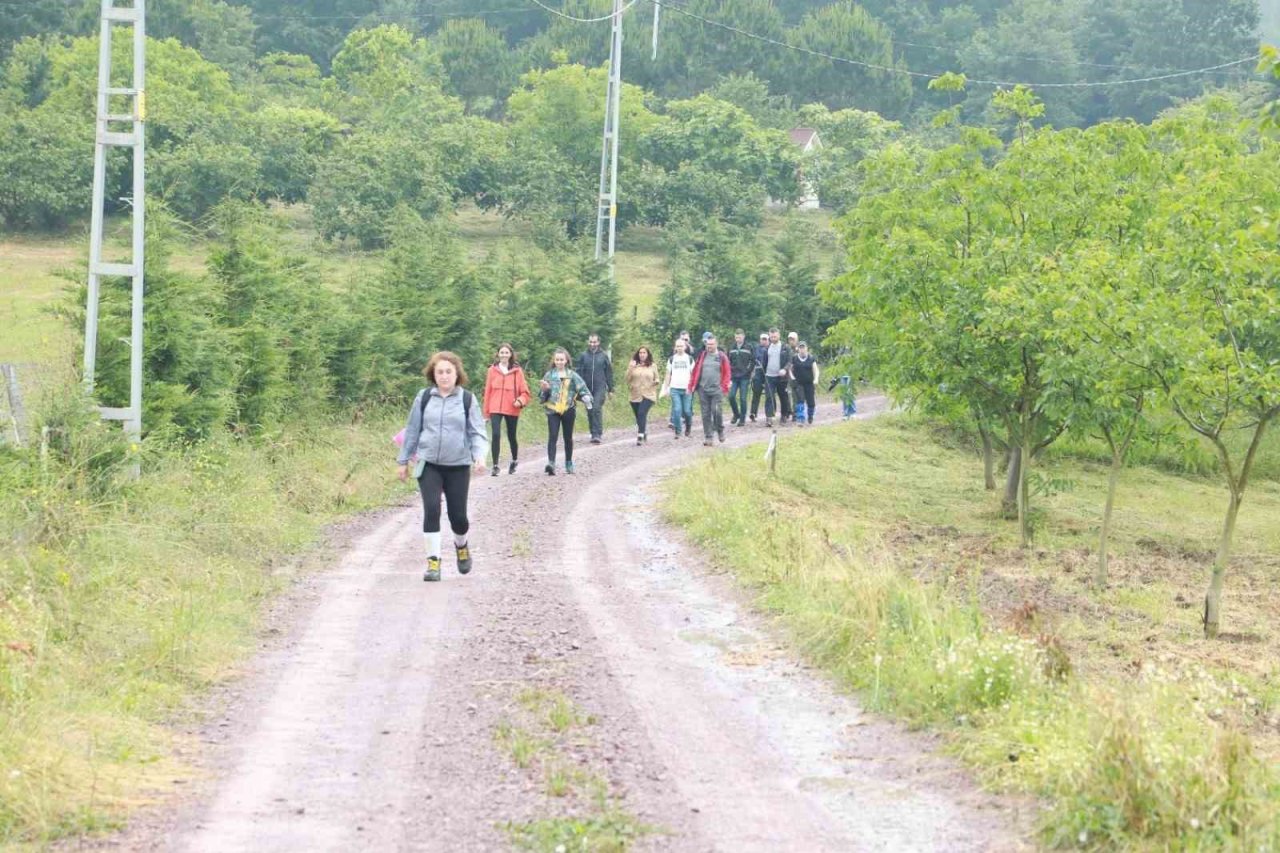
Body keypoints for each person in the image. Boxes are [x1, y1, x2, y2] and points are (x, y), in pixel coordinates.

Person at [397, 352, 489, 582]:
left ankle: (462, 545)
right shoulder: (424, 397)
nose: (444, 376)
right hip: (428, 464)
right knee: (431, 508)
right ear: (433, 374)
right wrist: (403, 461)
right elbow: (412, 430)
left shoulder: (467, 399)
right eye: (440, 372)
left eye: (449, 371)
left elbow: (477, 432)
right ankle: (433, 563)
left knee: (458, 517)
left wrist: (480, 456)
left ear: (457, 373)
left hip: (458, 465)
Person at [539, 348, 593, 475]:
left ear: (566, 360)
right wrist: (545, 390)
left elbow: (583, 389)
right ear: (554, 361)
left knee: (567, 437)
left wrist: (586, 398)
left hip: (569, 409)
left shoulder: (573, 375)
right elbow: (542, 397)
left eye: (561, 359)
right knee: (552, 436)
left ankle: (568, 462)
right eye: (557, 359)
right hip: (553, 410)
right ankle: (551, 463)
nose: (559, 362)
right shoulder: (549, 375)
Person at [482, 343, 531, 476]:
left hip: (512, 407)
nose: (504, 355)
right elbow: (488, 392)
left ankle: (514, 460)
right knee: (496, 434)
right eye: (501, 352)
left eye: (506, 352)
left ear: (510, 354)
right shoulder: (492, 370)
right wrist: (485, 413)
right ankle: (495, 465)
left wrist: (520, 401)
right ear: (498, 354)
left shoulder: (517, 371)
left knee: (511, 435)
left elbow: (525, 392)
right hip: (495, 407)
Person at [688, 334, 730, 446]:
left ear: (716, 344)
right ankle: (709, 437)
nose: (709, 346)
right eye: (707, 344)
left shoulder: (722, 357)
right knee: (705, 414)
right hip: (703, 389)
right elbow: (695, 372)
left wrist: (724, 387)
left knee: (716, 411)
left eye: (711, 344)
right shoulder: (702, 355)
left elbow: (727, 373)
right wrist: (691, 385)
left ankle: (720, 430)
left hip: (717, 390)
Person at [575, 334, 613, 444]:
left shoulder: (604, 356)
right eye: (591, 342)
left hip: (600, 387)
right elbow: (578, 372)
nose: (592, 344)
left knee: (596, 408)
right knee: (590, 409)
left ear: (598, 342)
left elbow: (609, 373)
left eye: (594, 342)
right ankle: (593, 432)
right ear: (588, 342)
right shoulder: (583, 356)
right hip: (586, 388)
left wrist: (611, 389)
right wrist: (578, 388)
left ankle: (597, 434)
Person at [659, 337, 694, 439]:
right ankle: (678, 432)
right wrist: (666, 388)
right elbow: (668, 374)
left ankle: (688, 429)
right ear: (675, 347)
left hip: (687, 389)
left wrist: (691, 387)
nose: (679, 348)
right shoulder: (672, 359)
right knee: (677, 410)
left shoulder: (689, 359)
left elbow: (693, 374)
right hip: (675, 388)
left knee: (687, 411)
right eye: (677, 346)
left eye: (681, 346)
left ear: (685, 347)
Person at [625, 346, 660, 445]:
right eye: (640, 353)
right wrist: (631, 368)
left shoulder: (652, 365)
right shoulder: (633, 365)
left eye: (644, 353)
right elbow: (627, 379)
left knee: (641, 412)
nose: (642, 354)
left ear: (647, 354)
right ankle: (644, 431)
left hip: (649, 394)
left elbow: (657, 378)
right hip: (635, 394)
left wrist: (656, 382)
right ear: (638, 354)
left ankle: (640, 435)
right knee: (639, 416)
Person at [762, 328, 792, 428]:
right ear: (769, 336)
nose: (773, 338)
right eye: (771, 336)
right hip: (769, 376)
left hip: (782, 377)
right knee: (769, 397)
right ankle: (769, 417)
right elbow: (764, 362)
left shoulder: (785, 347)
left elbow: (790, 361)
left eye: (775, 336)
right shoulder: (767, 348)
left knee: (783, 396)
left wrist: (784, 369)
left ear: (779, 335)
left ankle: (784, 415)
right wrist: (763, 374)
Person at [726, 329, 755, 427]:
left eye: (740, 336)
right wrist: (730, 372)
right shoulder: (731, 347)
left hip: (745, 377)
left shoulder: (749, 347)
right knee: (731, 396)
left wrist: (748, 371)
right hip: (734, 377)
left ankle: (742, 419)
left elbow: (752, 361)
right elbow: (727, 361)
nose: (738, 338)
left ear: (744, 336)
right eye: (736, 337)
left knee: (743, 398)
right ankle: (736, 414)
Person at [790, 341, 820, 426]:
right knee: (800, 400)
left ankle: (810, 415)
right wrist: (792, 377)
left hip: (809, 383)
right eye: (800, 348)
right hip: (799, 383)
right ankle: (800, 418)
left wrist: (816, 379)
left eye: (803, 348)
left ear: (806, 348)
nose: (802, 349)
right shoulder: (794, 358)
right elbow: (790, 369)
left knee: (811, 403)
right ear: (798, 349)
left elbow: (815, 370)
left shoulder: (811, 358)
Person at [749, 332, 769, 422]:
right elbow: (752, 360)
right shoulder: (755, 349)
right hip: (758, 373)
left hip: (769, 373)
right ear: (760, 340)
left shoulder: (771, 348)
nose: (764, 341)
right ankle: (753, 413)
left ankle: (770, 414)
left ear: (768, 340)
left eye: (765, 339)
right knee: (756, 394)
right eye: (762, 339)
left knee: (770, 394)